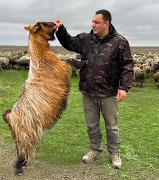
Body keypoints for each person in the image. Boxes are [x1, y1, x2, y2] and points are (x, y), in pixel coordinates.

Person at [54, 9, 135, 169]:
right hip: (88, 91)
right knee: (92, 125)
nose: (93, 25)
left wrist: (124, 87)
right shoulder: (86, 39)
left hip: (108, 93)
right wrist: (61, 29)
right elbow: (69, 42)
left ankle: (114, 153)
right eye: (92, 21)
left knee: (111, 126)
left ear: (106, 23)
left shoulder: (120, 42)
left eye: (96, 22)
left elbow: (127, 66)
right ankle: (95, 150)